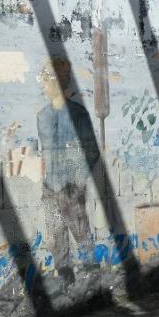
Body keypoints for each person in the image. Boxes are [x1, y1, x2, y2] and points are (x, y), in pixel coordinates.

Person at [35, 56, 99, 277]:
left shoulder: (79, 114)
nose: (42, 85)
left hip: (71, 187)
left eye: (45, 80)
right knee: (56, 239)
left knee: (81, 235)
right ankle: (65, 281)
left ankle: (93, 279)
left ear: (58, 81)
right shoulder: (41, 116)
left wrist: (77, 181)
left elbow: (91, 152)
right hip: (50, 188)